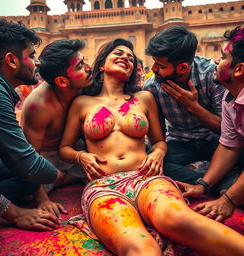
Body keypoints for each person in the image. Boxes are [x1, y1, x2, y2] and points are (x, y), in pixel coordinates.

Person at [59, 38, 244, 256]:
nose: (125, 58)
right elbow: (65, 148)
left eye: (130, 57)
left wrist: (157, 152)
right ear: (101, 64)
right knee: (140, 248)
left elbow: (159, 141)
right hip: (103, 186)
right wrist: (81, 157)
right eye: (118, 53)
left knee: (179, 220)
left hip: (146, 178)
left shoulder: (144, 98)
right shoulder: (82, 103)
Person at [0, 19, 66, 237]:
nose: (37, 63)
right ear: (11, 60)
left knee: (25, 178)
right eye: (31, 56)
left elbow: (19, 162)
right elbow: (27, 162)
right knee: (32, 172)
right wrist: (15, 213)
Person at [177, 26, 244, 222]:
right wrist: (202, 185)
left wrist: (228, 200)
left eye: (223, 57)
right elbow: (229, 146)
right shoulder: (230, 97)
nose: (216, 60)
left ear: (239, 69)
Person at [144, 25, 226, 184]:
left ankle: (210, 179)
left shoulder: (211, 75)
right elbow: (158, 137)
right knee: (152, 164)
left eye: (160, 66)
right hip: (179, 142)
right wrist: (158, 153)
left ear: (182, 68)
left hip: (214, 141)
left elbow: (226, 129)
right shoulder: (152, 87)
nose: (153, 69)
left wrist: (193, 106)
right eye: (154, 63)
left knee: (237, 152)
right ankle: (215, 182)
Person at [21, 39, 92, 217]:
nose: (89, 68)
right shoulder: (38, 105)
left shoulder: (86, 86)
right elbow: (30, 158)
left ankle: (63, 178)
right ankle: (63, 178)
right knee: (25, 193)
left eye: (84, 61)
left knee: (109, 167)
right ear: (62, 81)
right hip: (45, 158)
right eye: (80, 66)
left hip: (75, 151)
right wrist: (43, 199)